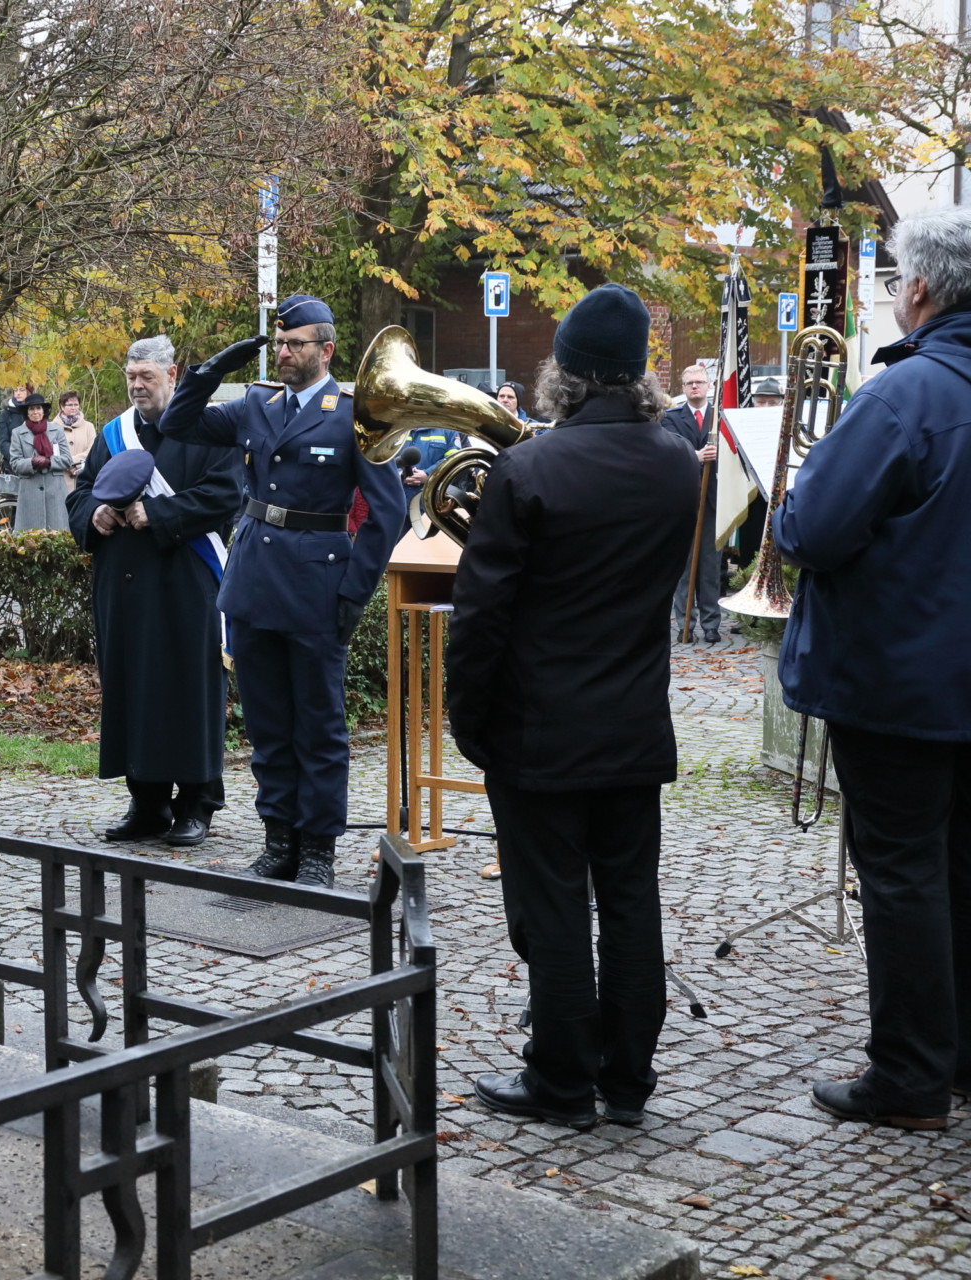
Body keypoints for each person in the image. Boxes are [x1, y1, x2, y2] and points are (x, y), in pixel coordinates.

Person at [446, 283, 698, 1131]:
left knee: (552, 910)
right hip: (633, 723)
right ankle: (627, 1083)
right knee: (630, 903)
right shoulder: (673, 459)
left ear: (568, 375)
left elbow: (481, 620)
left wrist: (468, 721)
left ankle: (560, 1082)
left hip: (541, 732)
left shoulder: (527, 468)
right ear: (637, 377)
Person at [773, 205, 971, 1131]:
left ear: (922, 289)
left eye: (894, 279)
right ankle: (959, 1059)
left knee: (900, 875)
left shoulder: (905, 395)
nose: (893, 293)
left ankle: (909, 1076)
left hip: (902, 685)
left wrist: (791, 500)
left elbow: (812, 530)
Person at [157, 295, 406, 887]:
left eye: (297, 344)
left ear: (327, 349)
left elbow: (388, 511)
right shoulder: (255, 402)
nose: (286, 352)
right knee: (267, 724)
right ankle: (279, 839)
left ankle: (317, 847)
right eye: (282, 343)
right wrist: (213, 369)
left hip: (318, 586)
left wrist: (353, 593)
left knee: (318, 726)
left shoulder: (352, 412)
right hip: (253, 584)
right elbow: (176, 424)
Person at [66, 336, 239, 846]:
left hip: (185, 580)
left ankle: (196, 803)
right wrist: (92, 515)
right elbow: (82, 493)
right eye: (131, 376)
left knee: (189, 691)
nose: (138, 385)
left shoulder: (208, 426)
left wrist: (159, 513)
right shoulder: (116, 431)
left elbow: (226, 495)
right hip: (123, 583)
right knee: (132, 691)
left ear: (173, 373)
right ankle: (146, 801)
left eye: (147, 376)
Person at [661, 363, 722, 642]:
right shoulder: (671, 418)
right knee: (684, 566)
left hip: (713, 498)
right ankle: (685, 624)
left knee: (710, 565)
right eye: (689, 383)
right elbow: (670, 450)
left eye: (699, 382)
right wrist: (695, 457)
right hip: (683, 499)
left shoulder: (721, 417)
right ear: (683, 388)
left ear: (708, 386)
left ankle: (711, 624)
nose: (695, 386)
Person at [7, 394, 73, 530]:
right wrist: (32, 462)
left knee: (58, 537)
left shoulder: (57, 430)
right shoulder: (17, 433)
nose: (35, 412)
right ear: (27, 412)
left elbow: (67, 459)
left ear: (44, 411)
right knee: (29, 541)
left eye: (38, 408)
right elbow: (15, 463)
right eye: (31, 409)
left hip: (55, 492)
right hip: (30, 493)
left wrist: (49, 461)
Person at [56, 391, 96, 478]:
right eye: (70, 405)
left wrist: (74, 462)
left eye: (76, 404)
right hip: (60, 478)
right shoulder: (52, 427)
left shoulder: (89, 427)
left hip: (82, 476)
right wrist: (66, 464)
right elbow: (51, 452)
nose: (73, 408)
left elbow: (92, 450)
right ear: (62, 406)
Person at [0, 381, 34, 465]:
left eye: (21, 390)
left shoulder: (36, 412)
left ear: (28, 392)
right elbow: (3, 441)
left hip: (34, 462)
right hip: (12, 462)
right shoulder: (6, 413)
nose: (18, 393)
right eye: (15, 390)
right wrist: (15, 457)